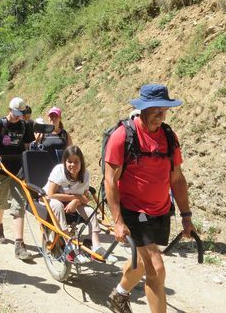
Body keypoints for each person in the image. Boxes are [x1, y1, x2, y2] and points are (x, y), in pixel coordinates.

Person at [104, 84, 194, 313]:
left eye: (164, 109)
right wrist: (117, 220)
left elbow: (177, 180)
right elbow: (110, 182)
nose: (160, 114)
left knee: (143, 260)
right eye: (155, 109)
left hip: (160, 211)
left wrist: (186, 216)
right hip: (132, 210)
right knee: (156, 266)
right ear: (142, 109)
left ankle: (119, 295)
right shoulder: (122, 136)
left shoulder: (169, 136)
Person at [0, 97, 35, 261]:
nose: (18, 117)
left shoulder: (25, 125)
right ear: (9, 110)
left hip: (18, 170)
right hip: (1, 169)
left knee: (19, 205)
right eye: (16, 114)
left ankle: (19, 244)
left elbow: (27, 146)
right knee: (1, 202)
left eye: (21, 114)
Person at [43, 145, 116, 264]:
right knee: (57, 205)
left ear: (81, 162)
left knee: (90, 211)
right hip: (51, 199)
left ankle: (96, 246)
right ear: (65, 162)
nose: (73, 165)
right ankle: (68, 245)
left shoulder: (85, 174)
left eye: (76, 161)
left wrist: (76, 201)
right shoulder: (59, 170)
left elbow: (85, 197)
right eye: (69, 161)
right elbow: (51, 194)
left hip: (72, 201)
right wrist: (75, 198)